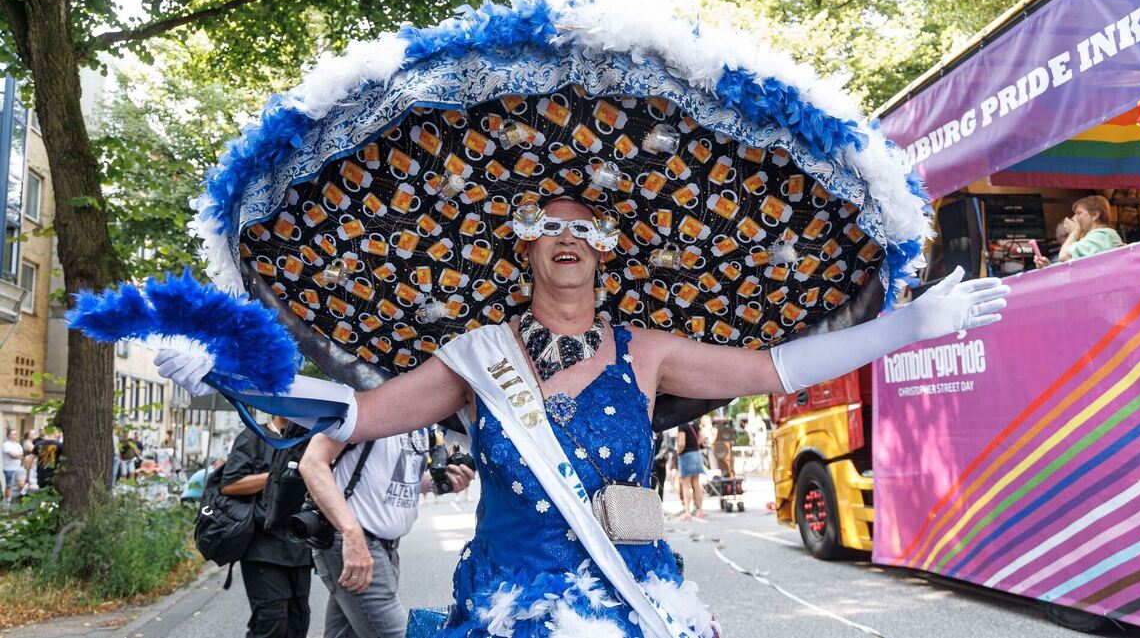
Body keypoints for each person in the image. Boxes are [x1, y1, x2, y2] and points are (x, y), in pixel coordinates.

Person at [159, 197, 1008, 637]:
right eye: (546, 225)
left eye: (582, 225)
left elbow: (774, 367)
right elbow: (357, 410)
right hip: (511, 607)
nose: (565, 235)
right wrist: (231, 373)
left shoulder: (650, 351)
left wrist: (906, 326)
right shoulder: (476, 355)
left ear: (606, 247)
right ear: (523, 248)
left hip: (636, 600)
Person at [299, 429, 475, 638]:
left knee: (344, 633)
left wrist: (442, 483)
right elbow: (311, 463)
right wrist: (351, 533)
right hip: (358, 542)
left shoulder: (418, 422)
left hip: (385, 547)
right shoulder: (365, 403)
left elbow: (402, 480)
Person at [221, 415, 313, 638]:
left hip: (299, 547)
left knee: (297, 623)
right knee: (271, 623)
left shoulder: (308, 440)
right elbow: (230, 484)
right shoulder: (254, 436)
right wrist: (276, 475)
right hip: (263, 546)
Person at [1035, 195, 1123, 267]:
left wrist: (1074, 233)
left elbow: (1064, 256)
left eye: (1079, 213)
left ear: (1095, 215)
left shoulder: (1102, 236)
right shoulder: (1093, 238)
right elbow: (1069, 266)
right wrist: (1047, 266)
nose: (1074, 218)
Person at [676, 421, 705, 520]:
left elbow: (681, 443)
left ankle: (687, 512)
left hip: (686, 456)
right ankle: (700, 510)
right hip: (697, 454)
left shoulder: (682, 425)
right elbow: (701, 439)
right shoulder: (696, 423)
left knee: (686, 485)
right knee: (696, 483)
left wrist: (678, 453)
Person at [3, 429, 23, 503]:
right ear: (9, 435)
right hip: (9, 469)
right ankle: (8, 502)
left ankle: (13, 500)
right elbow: (12, 455)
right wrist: (17, 456)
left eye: (16, 434)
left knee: (18, 486)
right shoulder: (6, 444)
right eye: (13, 434)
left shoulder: (18, 445)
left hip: (18, 468)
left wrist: (16, 456)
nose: (15, 436)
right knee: (9, 485)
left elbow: (21, 456)